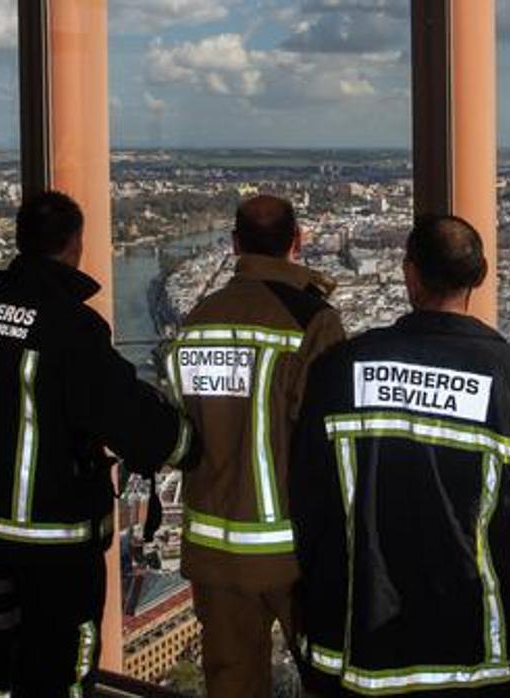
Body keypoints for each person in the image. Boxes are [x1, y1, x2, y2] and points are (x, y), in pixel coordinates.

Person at [290, 214, 510, 695]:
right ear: (481, 275)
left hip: (361, 637)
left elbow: (307, 496)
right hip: (483, 646)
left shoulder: (340, 370)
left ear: (409, 273)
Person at [0, 191, 193, 696]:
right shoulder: (73, 326)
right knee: (60, 657)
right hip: (52, 532)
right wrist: (183, 441)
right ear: (73, 246)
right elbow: (121, 412)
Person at [166, 195, 345, 697]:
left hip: (212, 546)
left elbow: (180, 428)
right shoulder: (311, 320)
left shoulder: (198, 319)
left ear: (234, 244)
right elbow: (329, 438)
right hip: (293, 547)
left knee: (232, 682)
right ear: (298, 241)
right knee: (329, 677)